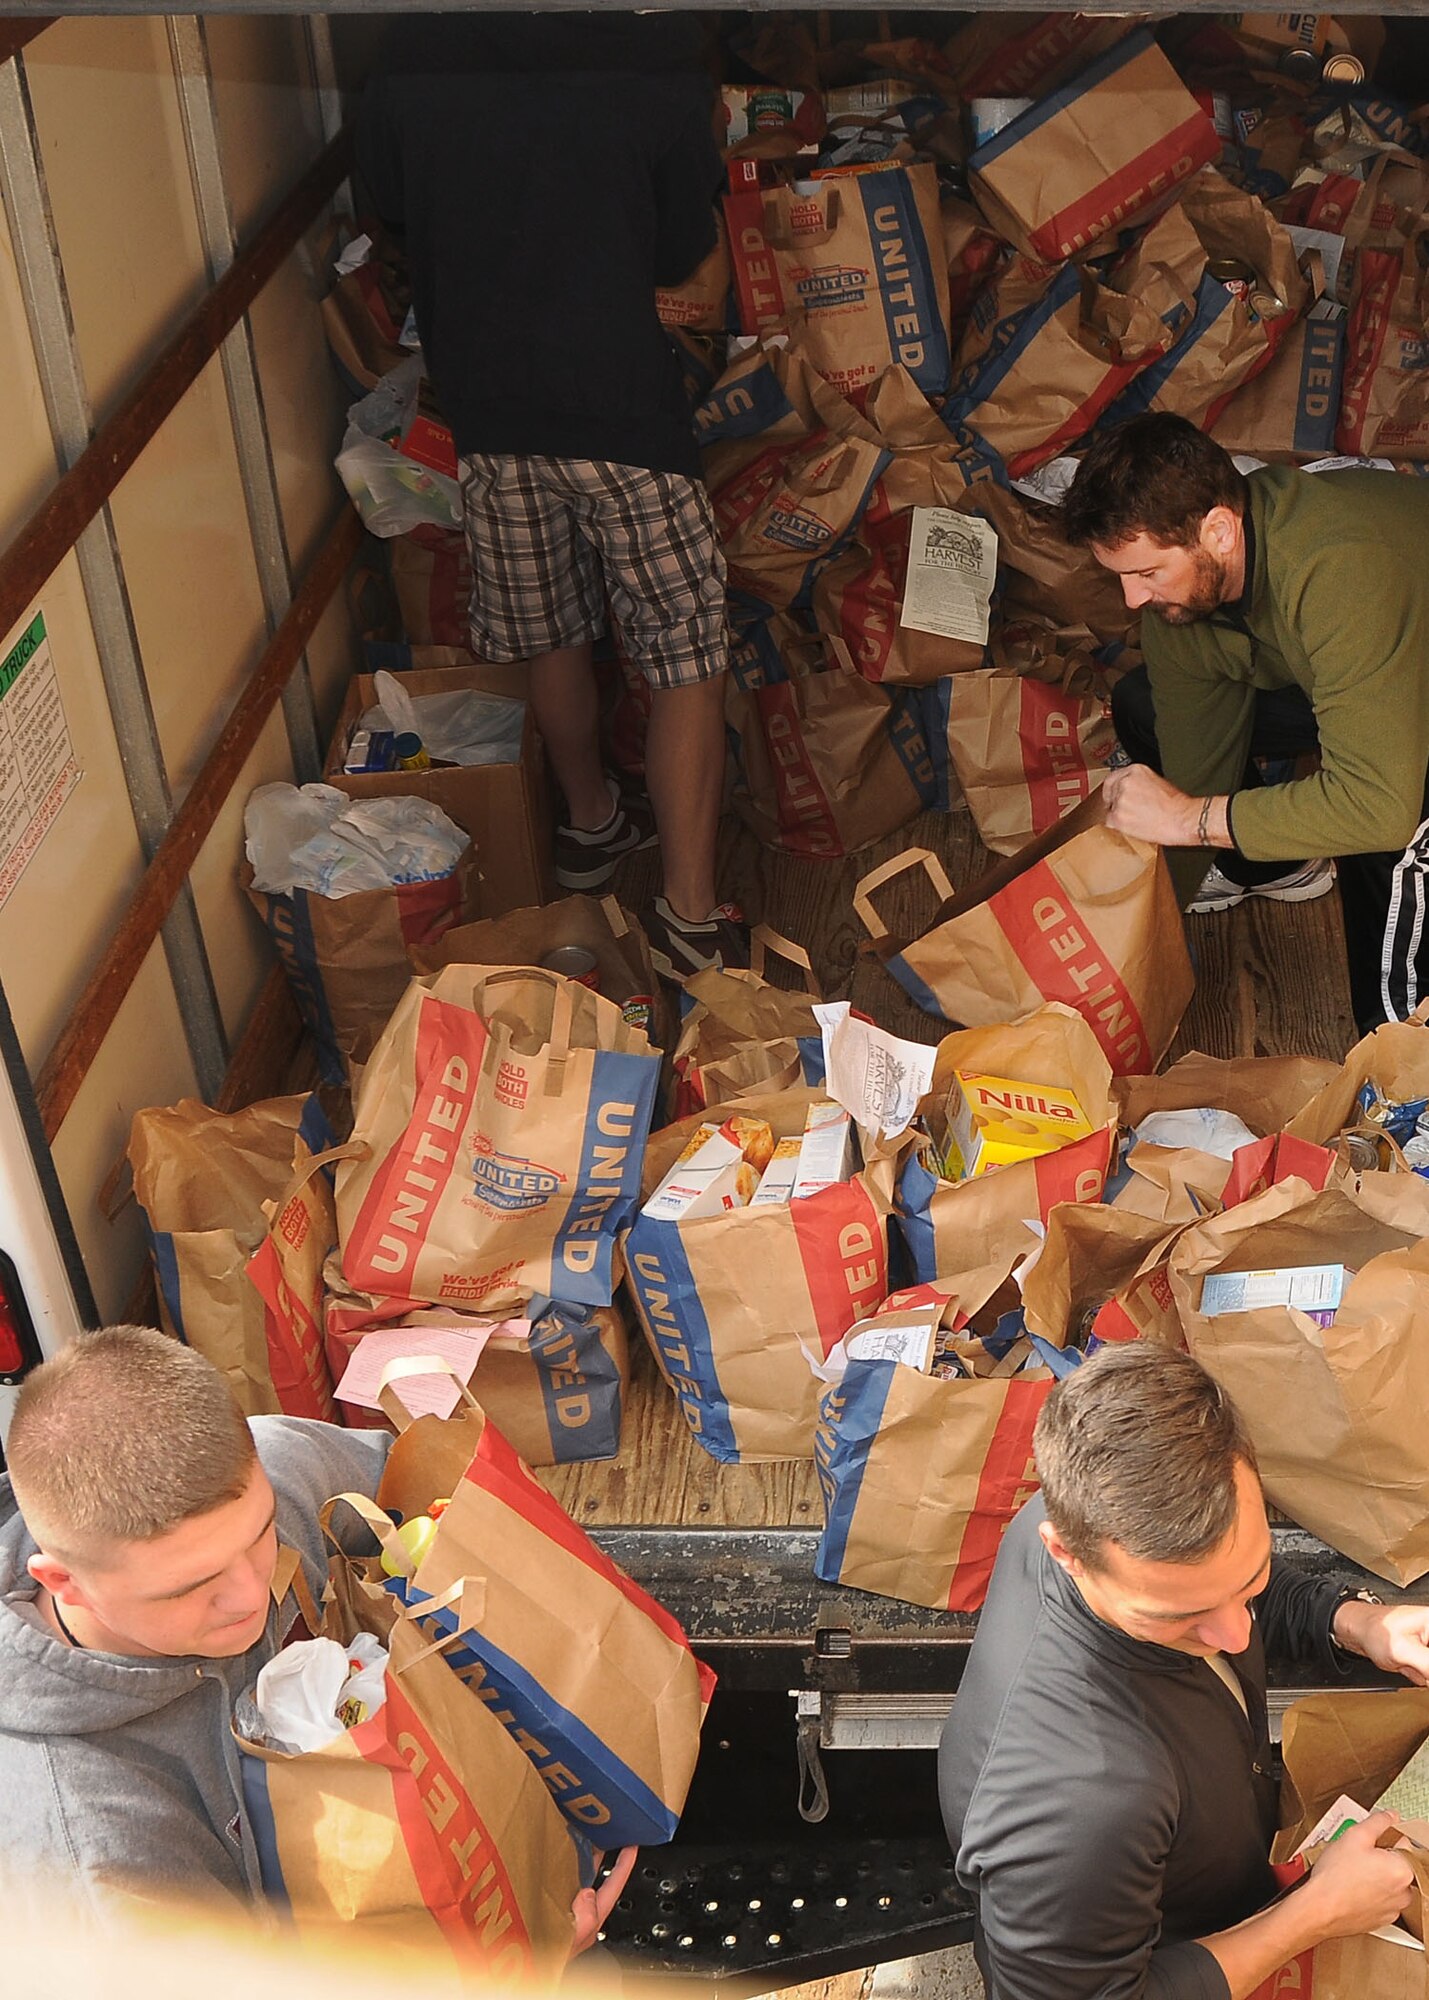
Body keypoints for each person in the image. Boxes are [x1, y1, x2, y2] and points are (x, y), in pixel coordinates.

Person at [0, 1325, 628, 1951]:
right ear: (64, 1583)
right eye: (189, 1587)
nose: (250, 1594)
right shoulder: (90, 1845)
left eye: (260, 1534)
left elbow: (443, 1514)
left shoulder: (287, 1466)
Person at [357, 13, 746, 981]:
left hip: (490, 410)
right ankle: (690, 916)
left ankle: (588, 824)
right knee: (687, 654)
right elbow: (674, 249)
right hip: (623, 416)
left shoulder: (411, 52)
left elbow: (389, 211)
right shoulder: (651, 55)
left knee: (551, 635)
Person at [940, 1342, 1429, 2000]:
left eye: (1249, 1575)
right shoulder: (1078, 1804)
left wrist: (1355, 1624)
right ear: (1065, 1552)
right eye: (1179, 1617)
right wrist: (1310, 1916)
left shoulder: (1099, 1505)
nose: (1234, 1633)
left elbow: (1215, 1579)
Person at [1061, 413, 1429, 1031]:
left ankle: (1402, 1071)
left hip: (1403, 661)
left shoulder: (1338, 567)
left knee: (1388, 839)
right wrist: (1124, 957)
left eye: (1148, 572)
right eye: (1120, 575)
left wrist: (1189, 819)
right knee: (1142, 704)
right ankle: (1274, 864)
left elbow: (1378, 806)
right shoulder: (1184, 600)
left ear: (1219, 531)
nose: (1132, 599)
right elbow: (1192, 775)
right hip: (1353, 668)